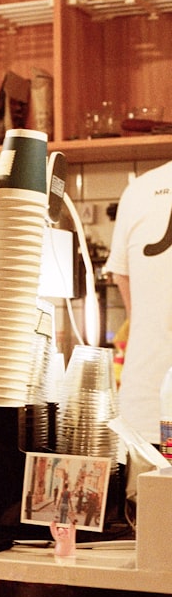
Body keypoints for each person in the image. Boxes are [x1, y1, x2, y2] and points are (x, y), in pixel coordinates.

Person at [103, 161, 172, 445]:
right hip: (146, 414)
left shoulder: (140, 189)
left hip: (146, 411)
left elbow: (123, 278)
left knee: (150, 489)